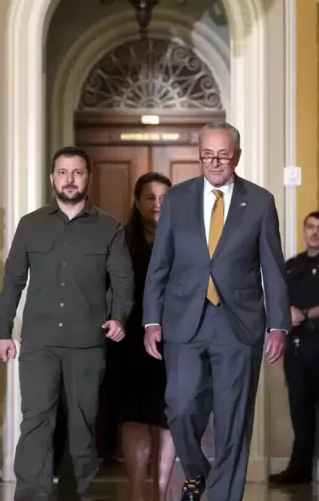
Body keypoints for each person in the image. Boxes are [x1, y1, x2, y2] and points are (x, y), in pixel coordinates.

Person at [143, 121, 290, 501]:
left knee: (233, 420)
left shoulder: (259, 201)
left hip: (238, 325)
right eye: (208, 154)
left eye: (223, 154)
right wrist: (152, 320)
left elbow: (273, 269)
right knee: (180, 405)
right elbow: (160, 263)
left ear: (236, 156)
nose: (215, 161)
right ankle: (196, 471)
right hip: (183, 321)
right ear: (199, 156)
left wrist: (279, 325)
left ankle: (225, 496)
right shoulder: (176, 199)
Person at [0, 146, 134, 501]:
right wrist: (4, 332)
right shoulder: (31, 225)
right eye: (62, 172)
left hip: (87, 345)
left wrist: (118, 317)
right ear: (52, 177)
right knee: (37, 422)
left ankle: (77, 496)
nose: (69, 180)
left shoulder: (109, 228)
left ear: (88, 177)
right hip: (39, 344)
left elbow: (123, 281)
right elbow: (12, 282)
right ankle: (32, 496)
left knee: (81, 428)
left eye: (77, 172)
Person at [269, 211, 319, 486]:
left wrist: (305, 313)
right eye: (310, 227)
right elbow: (278, 300)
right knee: (299, 409)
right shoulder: (292, 265)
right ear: (303, 231)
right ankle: (300, 469)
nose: (315, 232)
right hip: (295, 346)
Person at [112, 172, 176, 501]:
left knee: (166, 416)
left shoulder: (184, 238)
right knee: (134, 417)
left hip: (173, 341)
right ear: (137, 203)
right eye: (150, 197)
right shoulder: (120, 240)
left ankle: (161, 492)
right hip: (130, 343)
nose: (157, 204)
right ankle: (137, 493)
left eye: (164, 197)